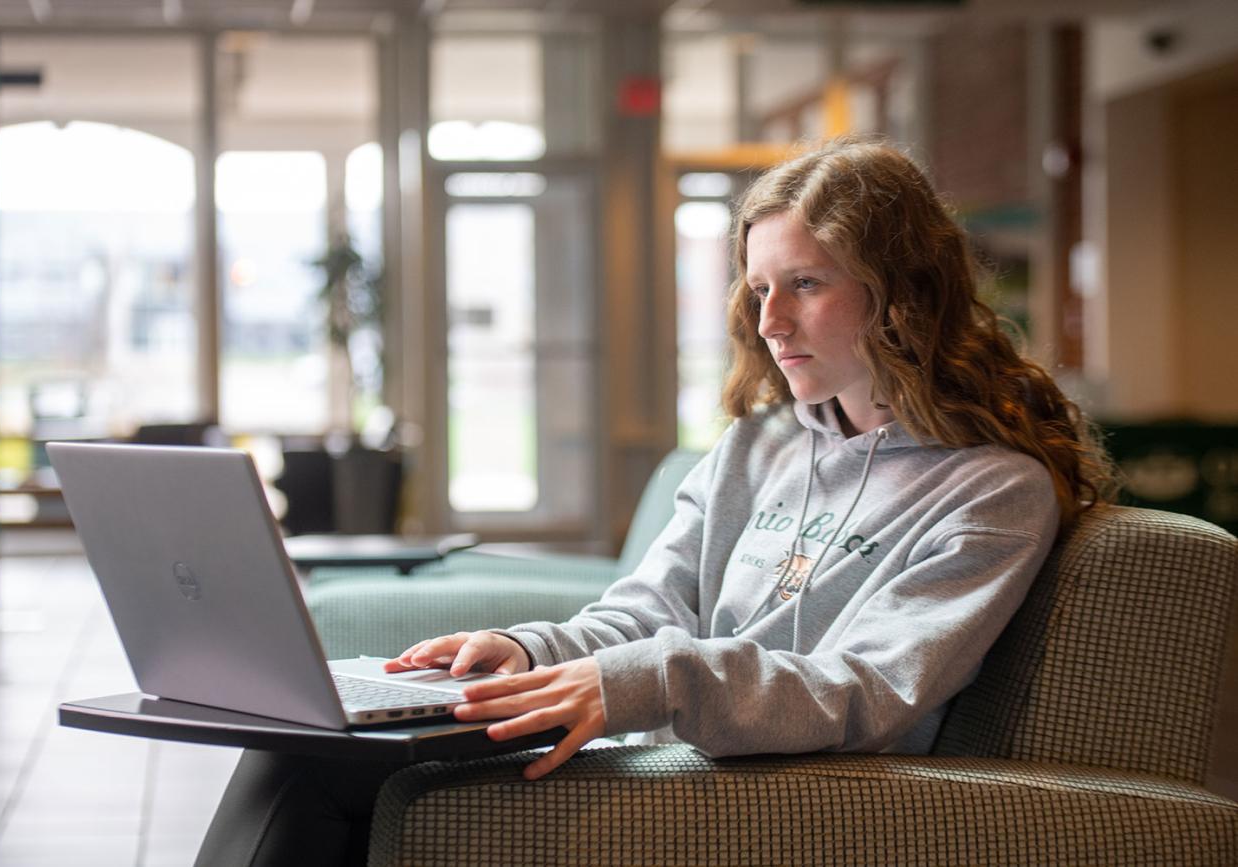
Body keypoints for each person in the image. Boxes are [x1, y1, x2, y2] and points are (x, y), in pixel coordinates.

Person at [195, 136, 1115, 866]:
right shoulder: (760, 446)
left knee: (339, 782)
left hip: (799, 782)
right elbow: (651, 605)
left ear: (902, 294)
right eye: (760, 288)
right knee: (312, 749)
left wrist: (651, 680)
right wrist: (530, 649)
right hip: (695, 741)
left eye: (805, 283)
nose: (769, 322)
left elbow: (871, 690)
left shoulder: (992, 490)